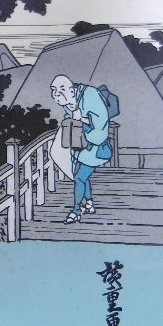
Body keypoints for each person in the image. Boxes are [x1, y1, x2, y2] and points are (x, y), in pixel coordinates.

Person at [50, 74, 112, 224]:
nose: (64, 104)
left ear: (70, 91)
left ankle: (77, 210)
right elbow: (72, 116)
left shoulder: (91, 95)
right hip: (82, 145)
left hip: (96, 145)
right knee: (82, 176)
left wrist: (80, 119)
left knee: (79, 177)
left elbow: (101, 124)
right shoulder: (70, 99)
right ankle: (89, 203)